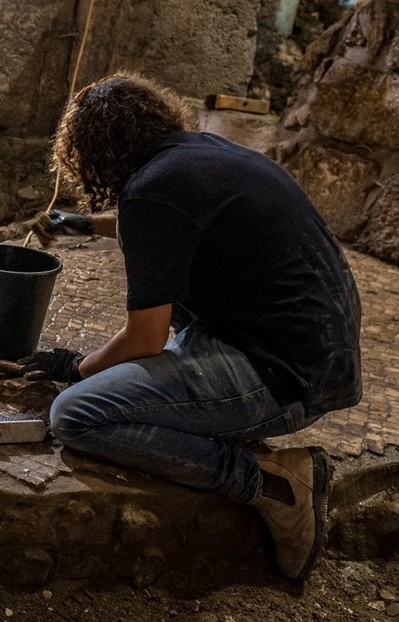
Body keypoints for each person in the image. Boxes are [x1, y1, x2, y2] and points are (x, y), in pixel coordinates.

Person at [23, 72, 362, 581]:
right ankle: (206, 412)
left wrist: (77, 368)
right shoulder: (201, 155)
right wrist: (81, 223)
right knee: (175, 301)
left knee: (77, 415)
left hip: (283, 377)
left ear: (92, 152)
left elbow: (146, 338)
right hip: (316, 351)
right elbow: (166, 218)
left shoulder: (151, 191)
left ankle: (269, 483)